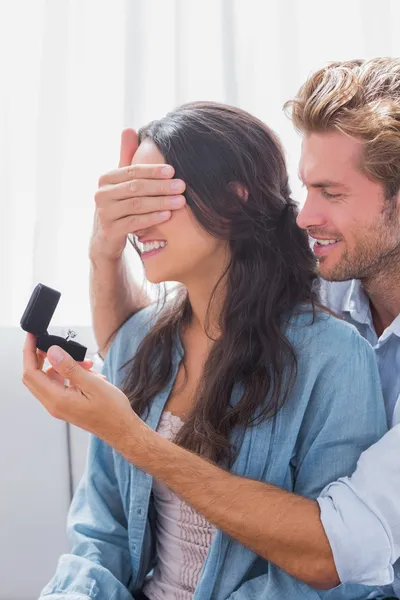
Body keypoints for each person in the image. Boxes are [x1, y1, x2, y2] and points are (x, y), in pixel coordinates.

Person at [22, 103, 387, 600]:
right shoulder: (137, 341)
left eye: (154, 197)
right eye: (130, 201)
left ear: (234, 197)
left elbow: (325, 578)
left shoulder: (334, 357)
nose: (137, 223)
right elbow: (99, 534)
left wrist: (131, 434)